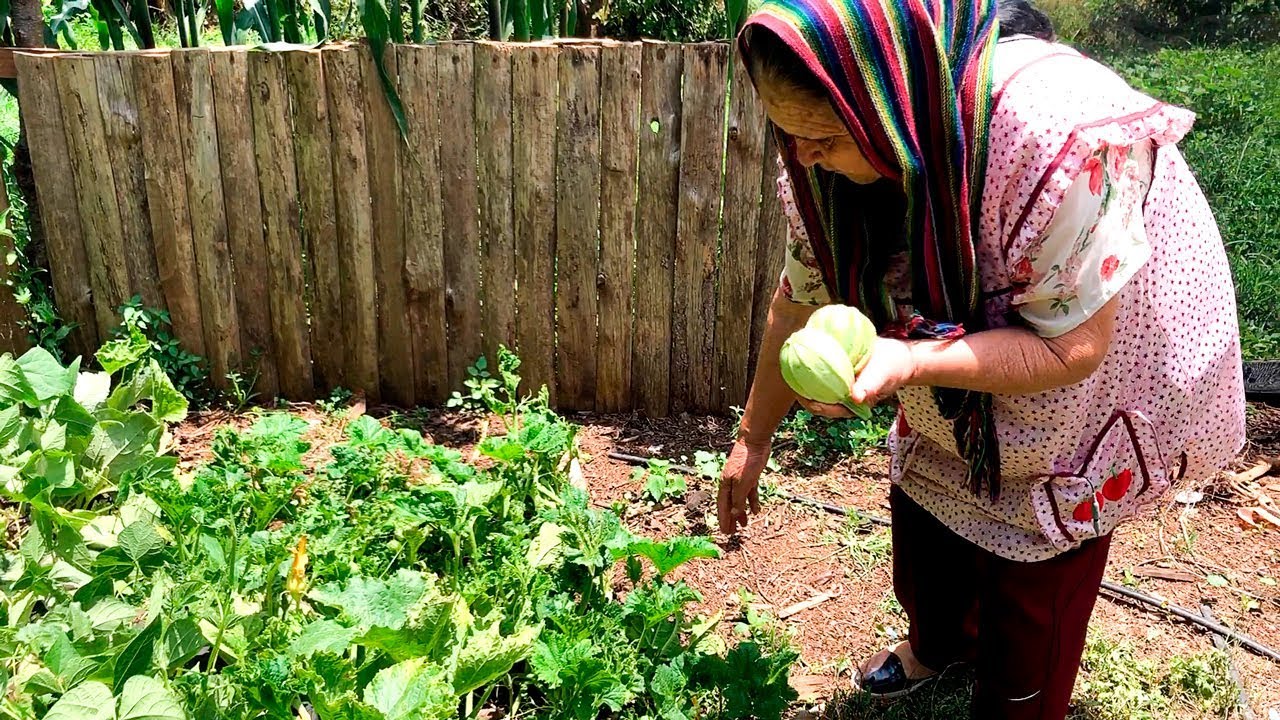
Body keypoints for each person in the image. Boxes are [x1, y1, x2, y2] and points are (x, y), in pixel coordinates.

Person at [716, 0, 1246, 718]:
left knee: (1038, 562)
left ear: (889, 99)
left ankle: (1019, 698)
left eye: (823, 136)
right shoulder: (821, 160)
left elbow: (1073, 346)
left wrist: (911, 362)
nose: (801, 156)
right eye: (786, 133)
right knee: (928, 513)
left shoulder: (1052, 141)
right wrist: (752, 440)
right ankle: (940, 643)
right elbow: (798, 299)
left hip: (1094, 337)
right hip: (963, 342)